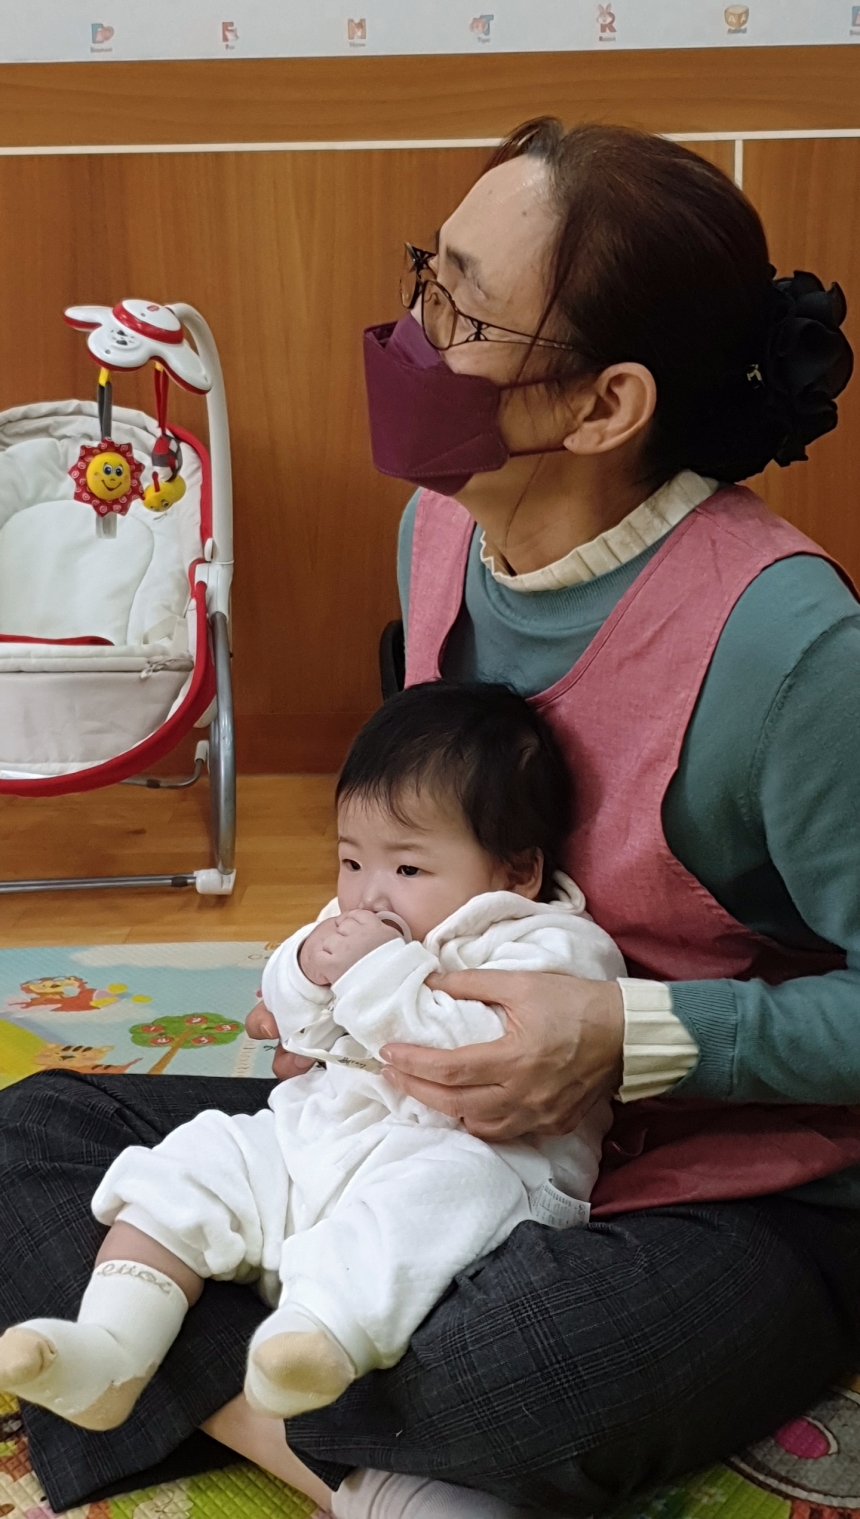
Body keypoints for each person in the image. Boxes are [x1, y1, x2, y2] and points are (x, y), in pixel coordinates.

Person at [2, 117, 860, 1519]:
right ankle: (377, 1473)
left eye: (461, 313)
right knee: (35, 1136)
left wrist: (627, 1035)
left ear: (604, 406)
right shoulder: (442, 528)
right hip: (417, 1125)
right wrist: (348, 956)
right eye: (426, 276)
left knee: (506, 1369)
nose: (409, 338)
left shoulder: (790, 649)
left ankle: (291, 1402)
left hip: (719, 1187)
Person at [0, 683, 620, 1439]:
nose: (368, 894)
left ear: (517, 871)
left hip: (477, 1162)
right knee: (199, 1156)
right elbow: (300, 1024)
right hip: (324, 1133)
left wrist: (373, 970)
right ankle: (114, 1345)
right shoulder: (361, 923)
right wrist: (301, 970)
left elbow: (467, 1057)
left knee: (435, 1198)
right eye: (351, 860)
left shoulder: (554, 947)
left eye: (408, 870)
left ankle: (313, 1340)